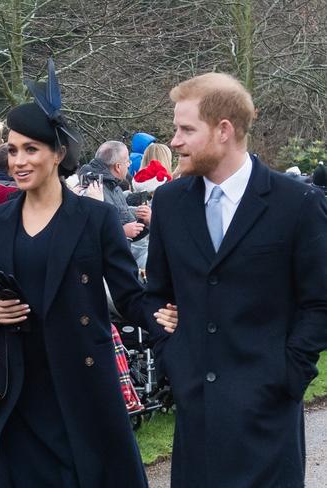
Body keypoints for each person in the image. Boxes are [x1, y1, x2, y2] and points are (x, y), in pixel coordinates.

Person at [0, 62, 176, 487]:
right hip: (18, 389)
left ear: (57, 154)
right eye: (13, 150)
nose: (18, 161)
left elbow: (130, 297)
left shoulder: (95, 219)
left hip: (83, 384)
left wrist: (165, 320)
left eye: (31, 149)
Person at [145, 72, 327, 487]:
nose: (174, 140)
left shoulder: (296, 203)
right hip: (196, 414)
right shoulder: (171, 203)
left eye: (186, 129)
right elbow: (155, 294)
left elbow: (319, 302)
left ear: (224, 130)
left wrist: (290, 374)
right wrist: (172, 351)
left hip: (269, 415)